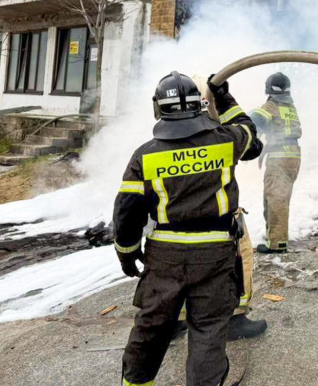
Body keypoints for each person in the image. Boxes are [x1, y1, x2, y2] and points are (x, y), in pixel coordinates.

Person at [113, 71, 264, 386]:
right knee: (208, 329)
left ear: (159, 109)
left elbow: (128, 210)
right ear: (199, 107)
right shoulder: (225, 141)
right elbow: (251, 135)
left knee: (151, 326)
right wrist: (224, 98)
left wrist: (126, 253)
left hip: (164, 259)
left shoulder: (145, 154)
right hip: (215, 255)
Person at [249, 72, 302, 254]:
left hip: (280, 157)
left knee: (275, 199)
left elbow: (255, 120)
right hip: (293, 156)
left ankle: (277, 243)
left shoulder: (271, 105)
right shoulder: (290, 107)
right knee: (278, 197)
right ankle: (274, 235)